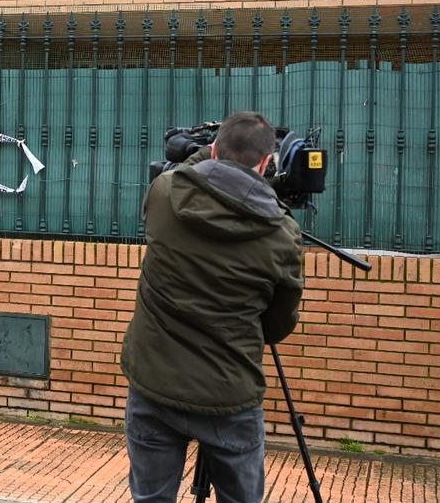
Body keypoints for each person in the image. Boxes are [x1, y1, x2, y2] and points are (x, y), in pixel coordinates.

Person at [121, 111, 304, 503]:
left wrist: (204, 151)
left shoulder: (165, 193)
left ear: (214, 150)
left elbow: (186, 174)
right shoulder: (281, 234)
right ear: (267, 163)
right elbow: (275, 328)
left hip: (155, 384)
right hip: (229, 395)